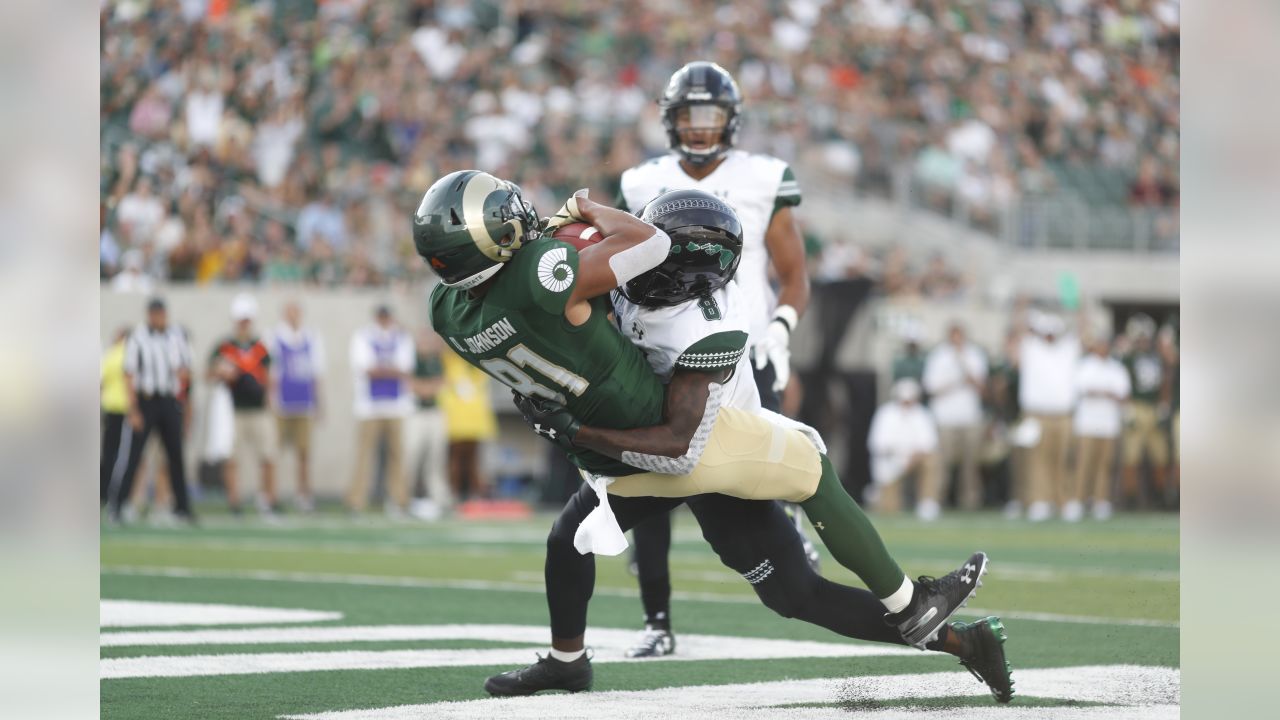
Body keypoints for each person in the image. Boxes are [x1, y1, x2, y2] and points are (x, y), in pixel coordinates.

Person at [414, 173, 1004, 701]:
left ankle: (922, 611)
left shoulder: (707, 324)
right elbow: (637, 253)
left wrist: (579, 428)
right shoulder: (597, 274)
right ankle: (938, 624)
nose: (653, 280)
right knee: (791, 576)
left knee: (800, 497)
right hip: (651, 445)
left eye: (667, 274)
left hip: (693, 444)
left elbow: (680, 444)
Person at [615, 61, 816, 656]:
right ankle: (656, 621)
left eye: (710, 116)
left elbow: (794, 273)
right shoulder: (639, 180)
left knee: (774, 475)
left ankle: (800, 529)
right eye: (688, 116)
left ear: (730, 120)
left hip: (743, 353)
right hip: (662, 356)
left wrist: (782, 325)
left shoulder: (763, 176)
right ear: (670, 120)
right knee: (650, 493)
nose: (700, 128)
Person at [110, 298, 196, 524]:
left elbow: (185, 371)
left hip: (169, 401)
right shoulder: (138, 337)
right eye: (155, 314)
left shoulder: (176, 336)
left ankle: (182, 508)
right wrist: (133, 409)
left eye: (161, 313)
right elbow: (129, 374)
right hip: (146, 401)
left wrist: (183, 397)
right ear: (149, 315)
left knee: (175, 455)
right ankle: (118, 506)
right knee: (133, 456)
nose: (159, 318)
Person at [210, 294, 278, 516]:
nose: (244, 324)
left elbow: (268, 377)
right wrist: (223, 372)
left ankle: (267, 500)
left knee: (267, 455)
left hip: (258, 409)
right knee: (231, 457)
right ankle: (234, 501)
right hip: (233, 410)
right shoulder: (225, 347)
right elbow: (210, 372)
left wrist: (269, 401)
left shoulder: (260, 347)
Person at [347, 305, 414, 515]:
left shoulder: (402, 337)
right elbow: (366, 369)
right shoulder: (363, 336)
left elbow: (405, 369)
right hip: (369, 406)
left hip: (397, 406)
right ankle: (356, 501)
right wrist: (390, 369)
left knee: (397, 456)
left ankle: (398, 500)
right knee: (364, 455)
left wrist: (382, 369)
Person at [1016, 312, 1080, 521]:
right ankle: (1039, 501)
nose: (1050, 337)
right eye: (1046, 333)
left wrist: (1077, 306)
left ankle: (1064, 501)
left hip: (1063, 414)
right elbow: (1019, 329)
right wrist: (1021, 307)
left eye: (1053, 333)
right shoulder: (1031, 348)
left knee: (1063, 459)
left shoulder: (1068, 350)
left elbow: (1083, 328)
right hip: (1036, 414)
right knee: (1037, 460)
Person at [923, 322, 988, 512]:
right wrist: (957, 380)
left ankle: (970, 501)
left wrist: (964, 366)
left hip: (970, 418)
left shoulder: (974, 354)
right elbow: (931, 388)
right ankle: (936, 500)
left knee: (971, 464)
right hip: (945, 418)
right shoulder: (938, 356)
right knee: (941, 464)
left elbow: (982, 388)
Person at [1068, 336, 1131, 521]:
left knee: (1105, 466)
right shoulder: (1085, 366)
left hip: (1109, 425)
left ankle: (1100, 501)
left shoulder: (1117, 368)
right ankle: (1077, 501)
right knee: (1083, 464)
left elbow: (1123, 395)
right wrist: (1106, 393)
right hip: (1087, 424)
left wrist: (1102, 393)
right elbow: (1083, 390)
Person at [271, 300, 325, 513]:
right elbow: (272, 373)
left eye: (296, 312)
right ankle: (271, 494)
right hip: (281, 403)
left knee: (304, 453)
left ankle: (303, 494)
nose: (293, 316)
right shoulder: (274, 337)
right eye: (290, 312)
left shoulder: (311, 337)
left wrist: (319, 402)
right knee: (273, 452)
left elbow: (317, 373)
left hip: (304, 403)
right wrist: (270, 400)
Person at [867, 378, 944, 520]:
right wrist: (900, 459)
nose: (907, 404)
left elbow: (929, 445)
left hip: (916, 460)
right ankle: (879, 495)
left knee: (931, 462)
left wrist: (912, 458)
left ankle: (927, 502)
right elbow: (878, 445)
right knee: (889, 509)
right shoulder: (885, 414)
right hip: (891, 463)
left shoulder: (922, 415)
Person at [1119, 315, 1170, 509]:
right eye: (1139, 337)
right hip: (1137, 406)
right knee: (1131, 457)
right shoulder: (1128, 358)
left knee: (1160, 456)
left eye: (1145, 337)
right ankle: (1130, 499)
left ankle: (1162, 497)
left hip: (1153, 407)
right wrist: (1128, 408)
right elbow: (1123, 382)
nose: (1143, 341)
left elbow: (1165, 381)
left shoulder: (1158, 357)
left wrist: (1163, 406)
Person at [437, 346, 496, 502]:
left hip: (476, 419)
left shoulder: (479, 364)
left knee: (474, 460)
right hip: (457, 418)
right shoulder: (452, 361)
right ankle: (454, 493)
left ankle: (474, 495)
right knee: (455, 458)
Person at [404, 328, 449, 519]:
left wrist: (427, 387)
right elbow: (413, 386)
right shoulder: (411, 359)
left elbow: (441, 384)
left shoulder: (436, 360)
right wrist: (427, 387)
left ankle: (438, 500)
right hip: (416, 413)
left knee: (436, 458)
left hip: (434, 412)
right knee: (411, 457)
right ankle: (402, 499)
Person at [100, 327, 132, 506]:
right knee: (123, 456)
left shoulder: (110, 354)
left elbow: (100, 381)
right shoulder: (128, 356)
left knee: (108, 452)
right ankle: (116, 493)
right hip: (125, 409)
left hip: (109, 408)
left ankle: (104, 492)